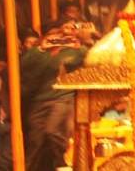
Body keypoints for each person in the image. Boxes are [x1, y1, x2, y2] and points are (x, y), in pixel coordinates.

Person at [19, 27, 87, 170]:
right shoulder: (37, 53)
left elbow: (83, 57)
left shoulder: (70, 51)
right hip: (38, 100)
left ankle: (67, 159)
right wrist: (41, 49)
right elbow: (23, 65)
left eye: (59, 37)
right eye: (52, 36)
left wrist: (76, 44)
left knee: (52, 131)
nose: (55, 40)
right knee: (35, 141)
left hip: (62, 97)